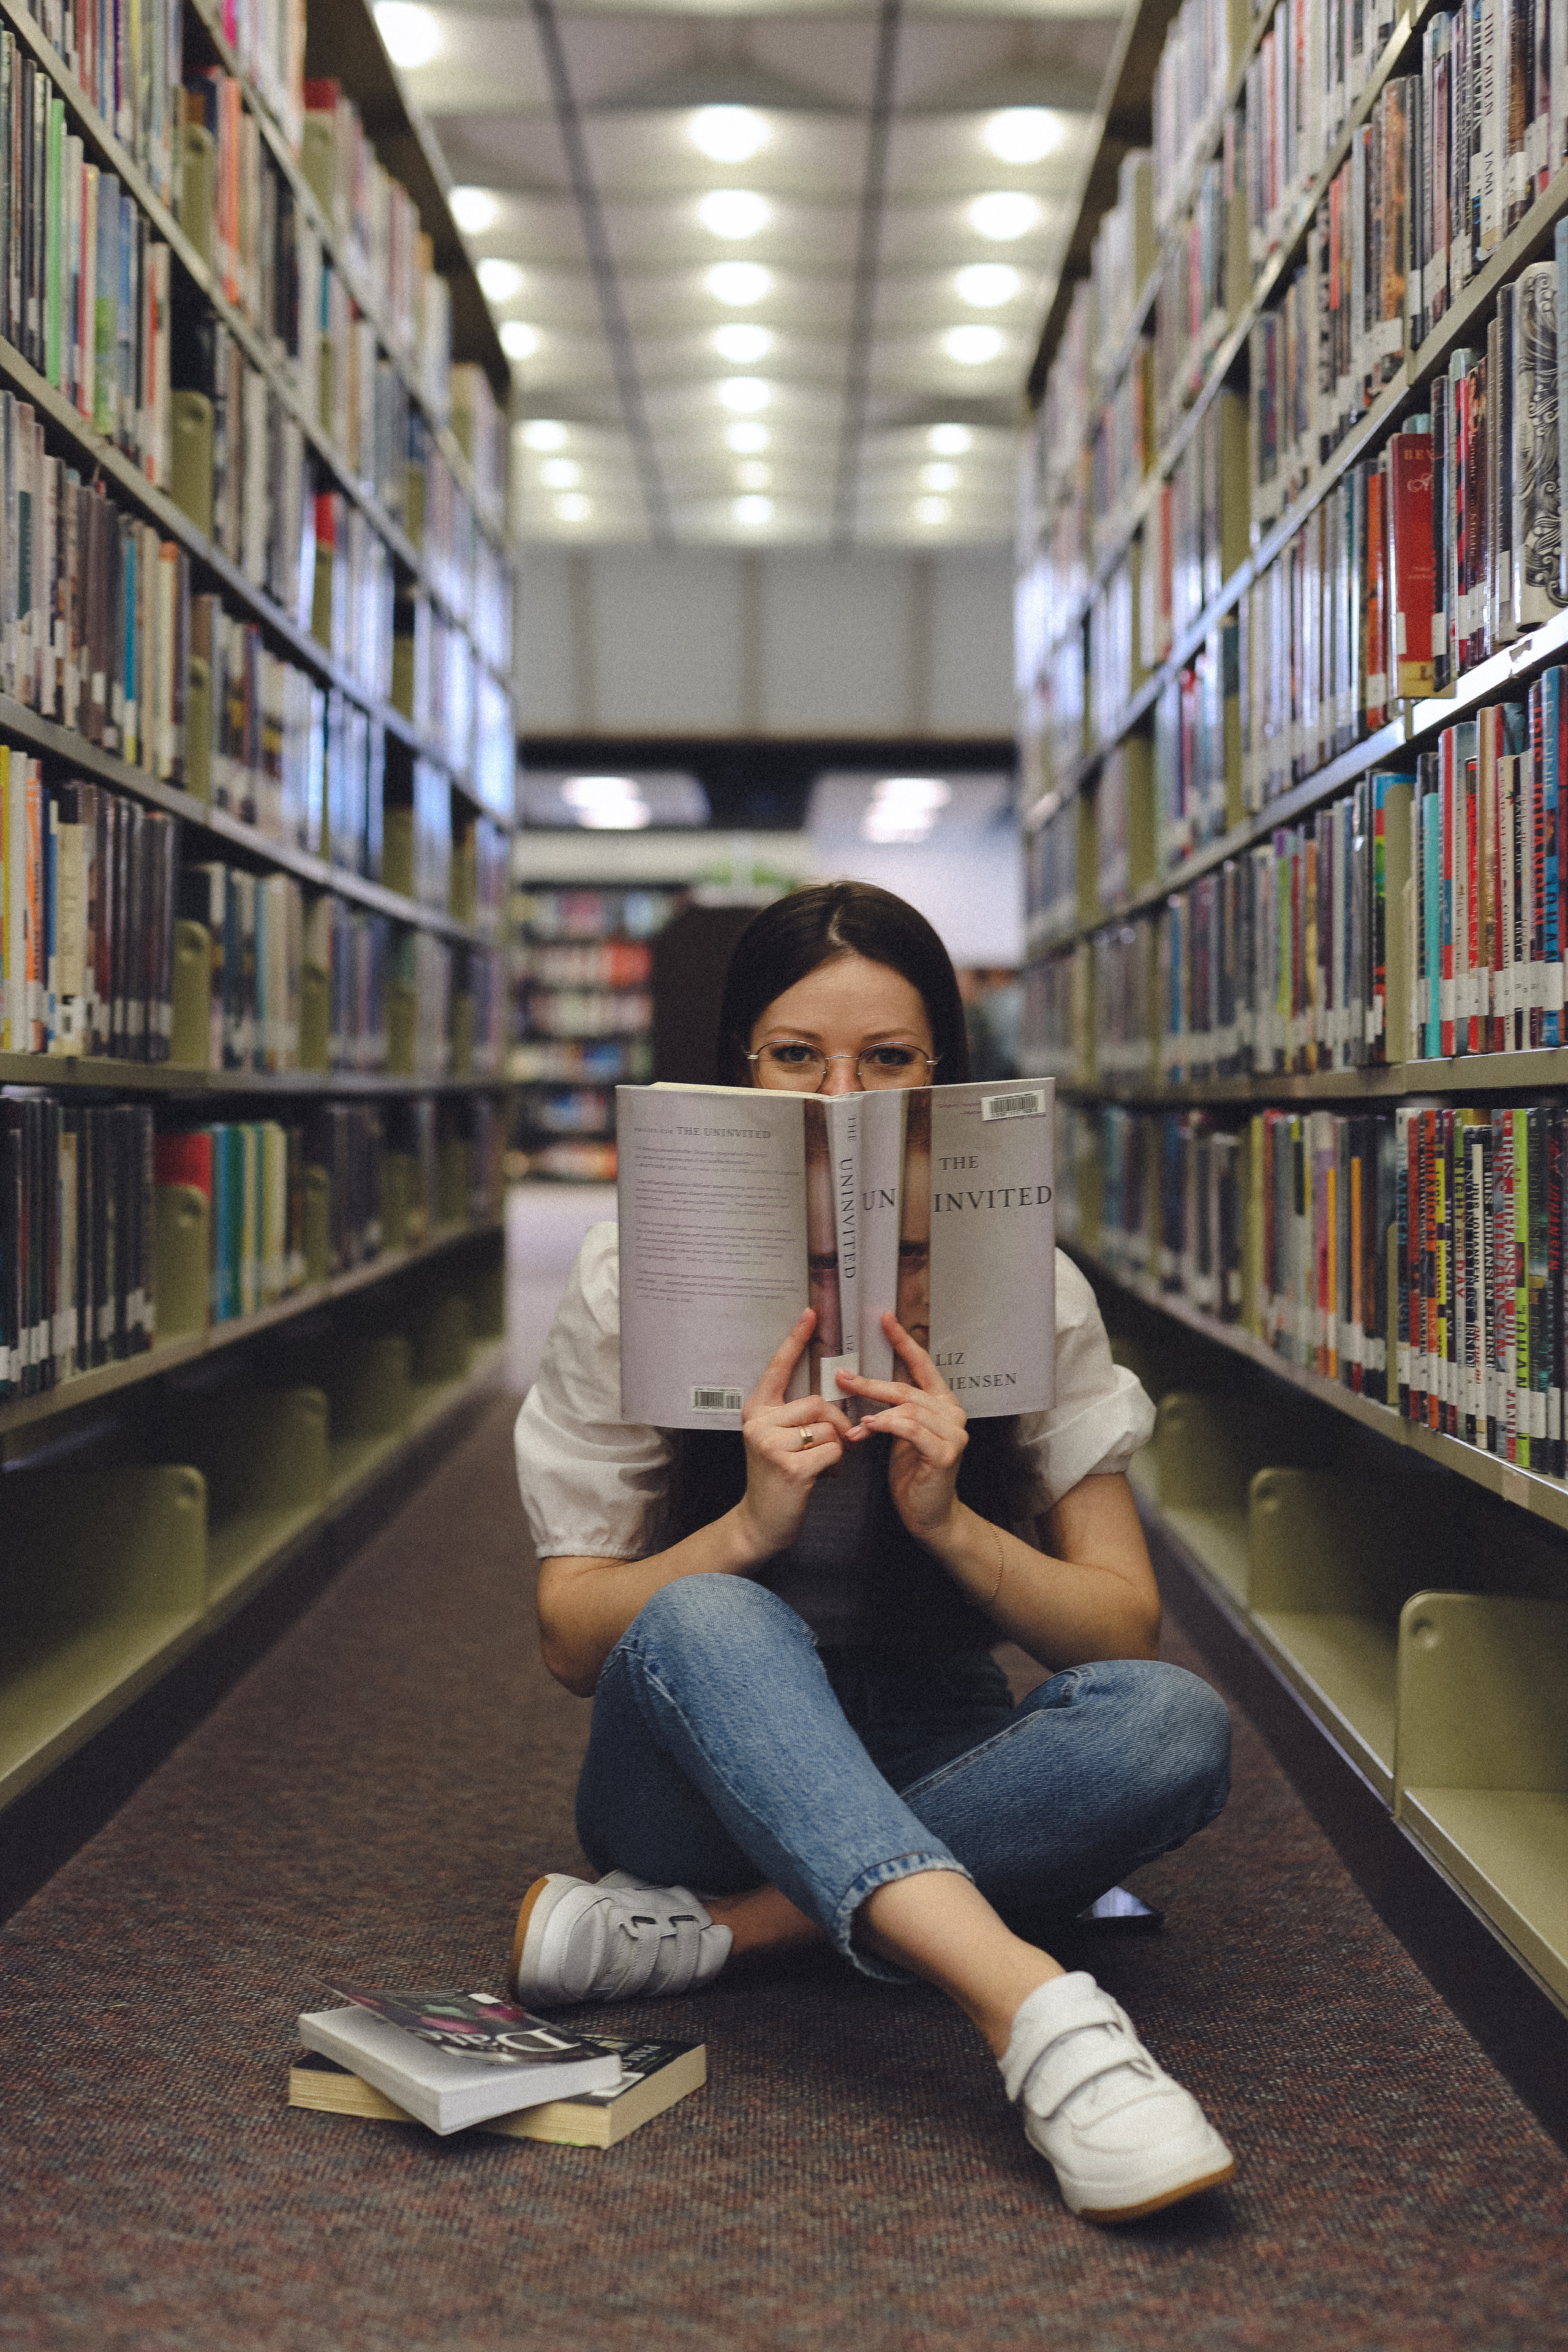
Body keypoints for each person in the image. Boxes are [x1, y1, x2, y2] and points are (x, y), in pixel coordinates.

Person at [512, 881, 1235, 2225]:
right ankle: (1037, 2014)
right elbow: (569, 1639)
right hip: (689, 1783)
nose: (839, 1097)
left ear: (941, 1073)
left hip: (934, 1741)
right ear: (742, 1065)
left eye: (886, 1058)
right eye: (797, 1055)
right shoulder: (629, 1275)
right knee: (710, 1614)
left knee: (1172, 1726)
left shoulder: (1028, 1282)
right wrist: (746, 1529)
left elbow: (1118, 1630)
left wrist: (950, 1524)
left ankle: (714, 1938)